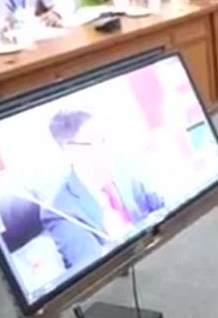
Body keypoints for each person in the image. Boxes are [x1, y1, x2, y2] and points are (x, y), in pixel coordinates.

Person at [43, 110, 165, 269]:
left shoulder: (126, 166)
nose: (108, 148)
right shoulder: (60, 210)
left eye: (105, 139)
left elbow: (166, 207)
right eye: (98, 141)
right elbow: (92, 266)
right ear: (71, 150)